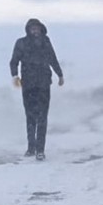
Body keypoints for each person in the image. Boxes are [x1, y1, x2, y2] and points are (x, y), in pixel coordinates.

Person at [9, 18, 63, 160]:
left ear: (41, 29)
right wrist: (15, 76)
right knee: (30, 117)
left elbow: (52, 58)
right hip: (28, 85)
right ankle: (31, 148)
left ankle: (40, 150)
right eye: (32, 28)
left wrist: (60, 74)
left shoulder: (45, 42)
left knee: (42, 117)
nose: (35, 31)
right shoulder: (21, 43)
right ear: (28, 30)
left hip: (44, 84)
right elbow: (14, 60)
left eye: (37, 28)